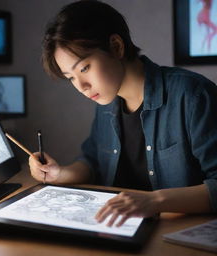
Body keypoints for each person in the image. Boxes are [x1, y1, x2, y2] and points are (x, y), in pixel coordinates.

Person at [29, 0, 217, 227]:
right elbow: (93, 163)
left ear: (116, 46)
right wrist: (58, 174)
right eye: (71, 77)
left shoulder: (192, 95)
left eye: (84, 68)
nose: (81, 86)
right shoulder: (106, 102)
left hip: (178, 233)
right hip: (118, 228)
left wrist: (155, 201)